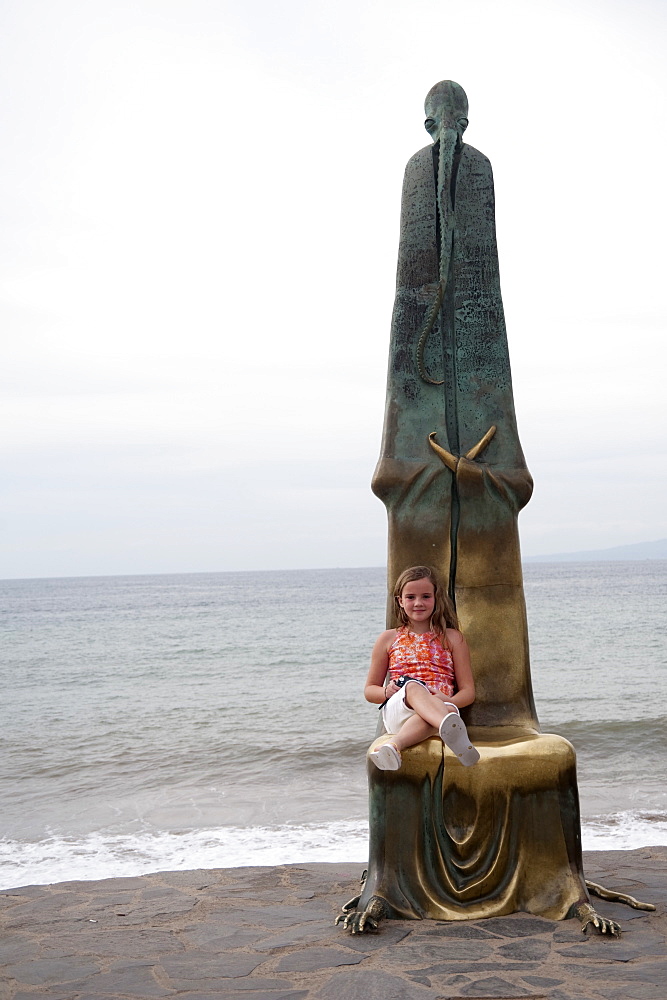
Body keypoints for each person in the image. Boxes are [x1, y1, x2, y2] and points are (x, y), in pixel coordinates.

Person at [364, 565, 479, 770]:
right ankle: (448, 728)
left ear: (436, 598)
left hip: (439, 710)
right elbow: (369, 691)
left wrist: (449, 700)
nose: (418, 603)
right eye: (410, 597)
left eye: (426, 596)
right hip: (400, 708)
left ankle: (393, 745)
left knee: (448, 710)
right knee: (415, 687)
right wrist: (385, 691)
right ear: (400, 601)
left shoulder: (453, 638)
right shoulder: (388, 638)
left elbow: (468, 692)